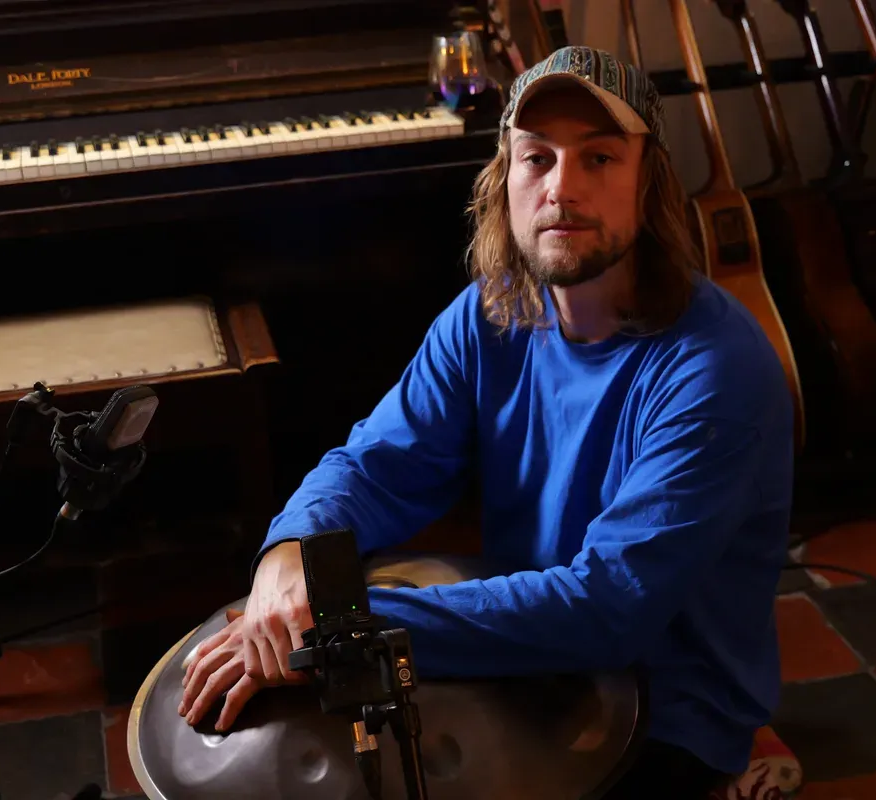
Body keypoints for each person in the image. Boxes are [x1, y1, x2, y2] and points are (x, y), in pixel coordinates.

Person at [179, 45, 793, 798]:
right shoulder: (490, 316)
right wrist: (290, 556)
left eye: (599, 158)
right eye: (536, 159)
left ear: (650, 183)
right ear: (505, 181)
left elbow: (609, 608)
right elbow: (377, 466)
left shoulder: (715, 368)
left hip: (666, 703)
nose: (562, 188)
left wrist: (344, 623)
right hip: (534, 660)